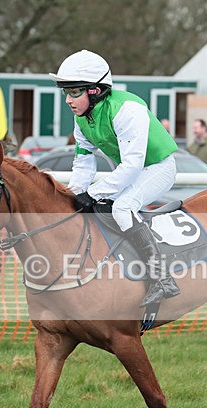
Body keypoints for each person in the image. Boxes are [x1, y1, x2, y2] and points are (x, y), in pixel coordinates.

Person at [50, 49, 180, 307]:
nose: (68, 100)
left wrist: (93, 193)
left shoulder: (126, 109)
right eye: (66, 92)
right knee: (90, 207)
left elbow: (132, 166)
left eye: (74, 92)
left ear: (94, 90)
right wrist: (74, 194)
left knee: (121, 207)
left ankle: (162, 279)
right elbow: (83, 161)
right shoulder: (82, 118)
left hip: (158, 167)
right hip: (133, 170)